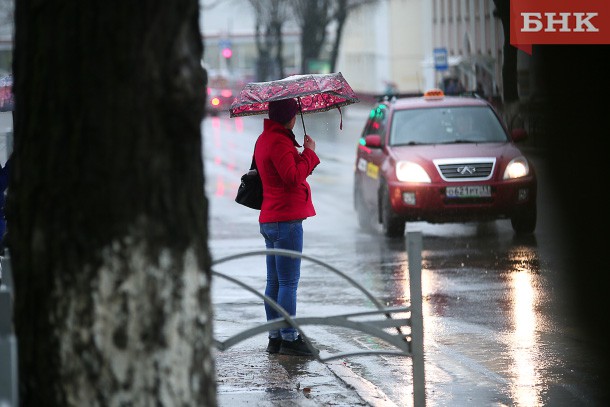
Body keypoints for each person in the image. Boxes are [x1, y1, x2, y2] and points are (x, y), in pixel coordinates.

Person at [254, 98, 320, 356]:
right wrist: (310, 153)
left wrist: (303, 156)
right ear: (290, 117)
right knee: (288, 283)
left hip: (271, 218)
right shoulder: (279, 141)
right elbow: (292, 177)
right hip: (285, 220)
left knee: (274, 281)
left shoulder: (265, 139)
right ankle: (290, 339)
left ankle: (275, 337)